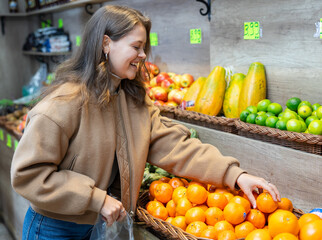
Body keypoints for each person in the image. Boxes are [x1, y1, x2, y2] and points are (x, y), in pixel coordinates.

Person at [11, 5, 280, 240]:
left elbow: (176, 146)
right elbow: (29, 174)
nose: (143, 56)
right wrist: (96, 198)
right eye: (136, 47)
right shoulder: (64, 103)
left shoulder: (131, 98)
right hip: (54, 227)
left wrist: (235, 175)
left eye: (144, 48)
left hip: (97, 221)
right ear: (106, 44)